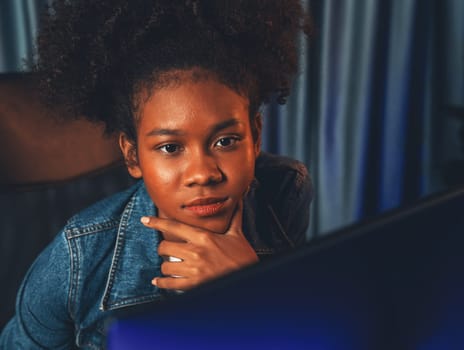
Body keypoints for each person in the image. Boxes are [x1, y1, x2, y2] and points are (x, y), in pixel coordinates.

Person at [0, 0, 313, 348]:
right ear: (132, 156)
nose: (203, 173)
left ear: (255, 136)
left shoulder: (285, 191)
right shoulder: (78, 257)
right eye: (170, 147)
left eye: (225, 141)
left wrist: (252, 289)